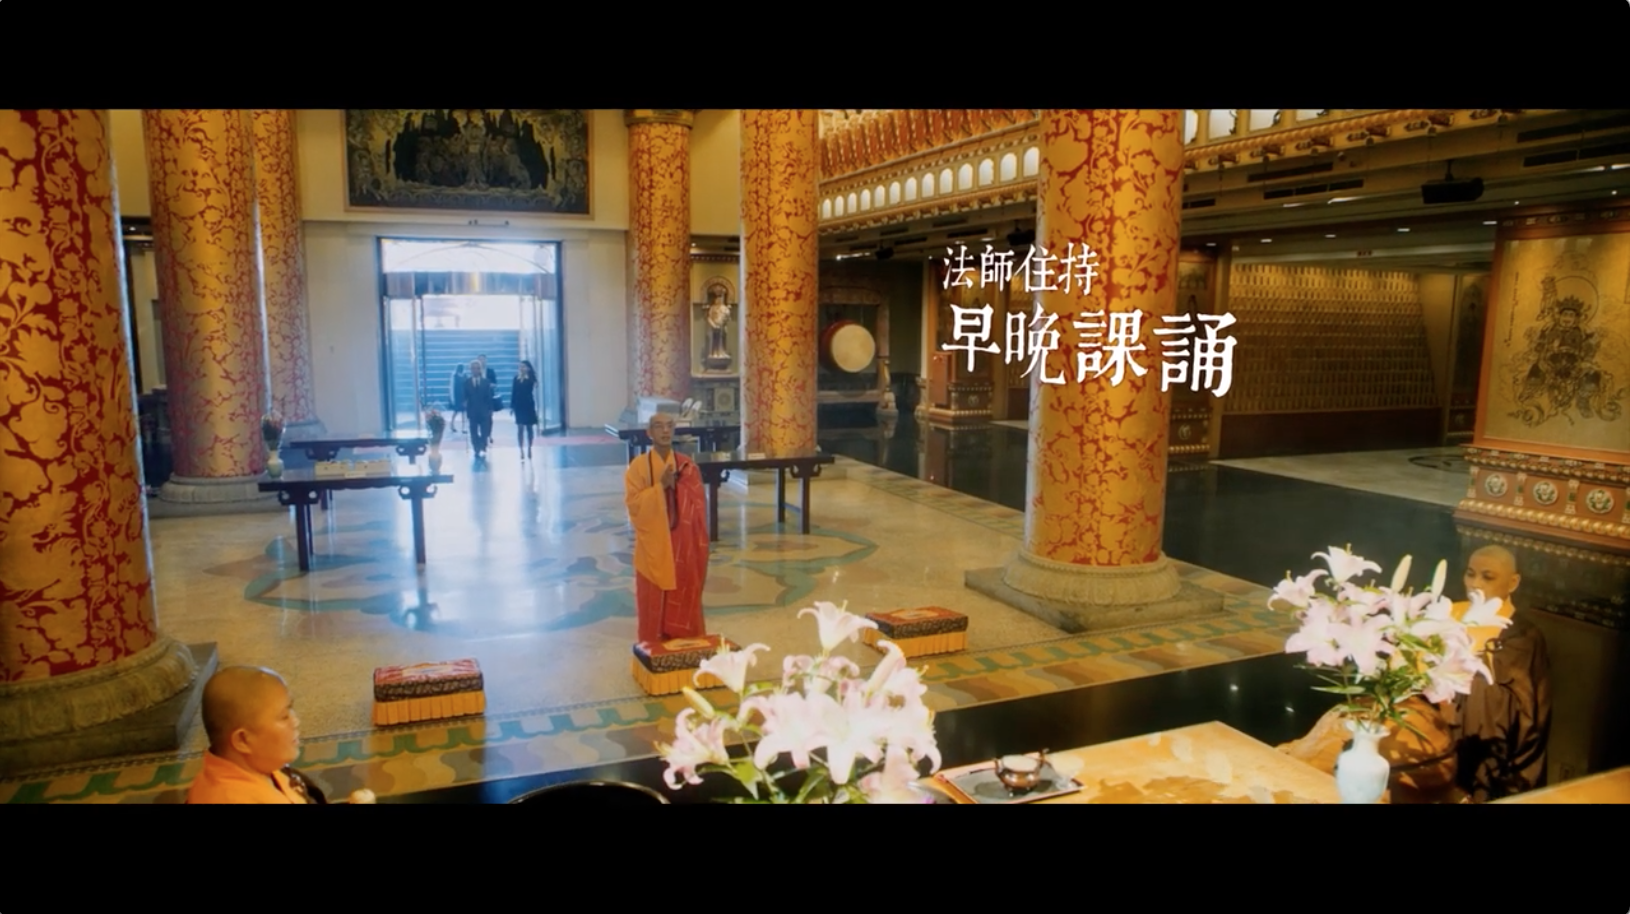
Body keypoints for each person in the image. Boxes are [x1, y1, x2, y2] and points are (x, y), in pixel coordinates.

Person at [1277, 544, 1551, 803]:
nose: (1475, 583)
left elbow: (1527, 704)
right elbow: (1406, 663)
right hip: (1428, 729)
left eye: (1488, 577)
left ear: (1513, 582)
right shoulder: (1449, 612)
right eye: (1470, 574)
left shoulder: (1522, 636)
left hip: (1481, 744)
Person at [623, 413, 710, 647]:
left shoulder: (687, 465)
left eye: (669, 426)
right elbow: (633, 505)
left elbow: (697, 505)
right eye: (659, 426)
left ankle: (686, 647)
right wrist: (660, 488)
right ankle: (653, 648)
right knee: (652, 599)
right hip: (654, 545)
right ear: (649, 433)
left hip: (683, 546)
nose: (665, 431)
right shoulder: (638, 467)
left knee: (683, 596)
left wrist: (678, 489)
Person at [186, 666, 310, 804]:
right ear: (243, 740)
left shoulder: (257, 766)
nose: (296, 721)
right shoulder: (231, 798)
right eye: (284, 716)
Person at [463, 358, 494, 458]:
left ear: (480, 369)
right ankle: (476, 447)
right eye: (473, 368)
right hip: (472, 411)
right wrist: (464, 403)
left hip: (484, 410)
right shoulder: (467, 382)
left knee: (485, 431)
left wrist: (490, 409)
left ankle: (483, 444)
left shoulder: (486, 382)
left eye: (477, 368)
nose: (475, 370)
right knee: (473, 431)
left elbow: (489, 396)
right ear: (471, 370)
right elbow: (465, 396)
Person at [512, 360, 539, 460]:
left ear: (527, 368)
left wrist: (528, 375)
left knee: (529, 428)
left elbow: (533, 386)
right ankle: (521, 449)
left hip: (528, 405)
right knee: (520, 428)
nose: (521, 368)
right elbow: (514, 392)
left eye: (523, 366)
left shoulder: (530, 379)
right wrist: (512, 406)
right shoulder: (516, 378)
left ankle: (529, 447)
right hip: (519, 406)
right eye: (520, 366)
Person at [448, 364, 467, 434]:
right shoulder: (454, 376)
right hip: (457, 397)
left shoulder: (465, 375)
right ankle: (452, 425)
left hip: (463, 397)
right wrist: (452, 398)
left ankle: (464, 427)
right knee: (455, 412)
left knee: (464, 413)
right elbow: (451, 387)